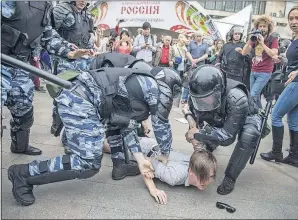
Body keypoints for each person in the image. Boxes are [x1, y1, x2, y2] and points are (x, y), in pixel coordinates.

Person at [7, 63, 182, 206]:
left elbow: (125, 126)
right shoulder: (157, 91)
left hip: (79, 95)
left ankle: (115, 164)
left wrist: (140, 160)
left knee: (99, 145)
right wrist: (165, 154)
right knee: (87, 163)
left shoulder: (140, 83)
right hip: (80, 100)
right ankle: (23, 174)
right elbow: (162, 127)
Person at [1, 1, 90, 156]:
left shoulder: (44, 6)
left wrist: (69, 52)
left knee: (24, 111)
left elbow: (48, 37)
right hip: (2, 62)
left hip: (21, 65)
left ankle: (19, 147)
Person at [183, 65, 268, 195]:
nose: (203, 101)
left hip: (248, 116)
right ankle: (209, 147)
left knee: (249, 136)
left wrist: (199, 135)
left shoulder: (237, 97)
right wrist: (196, 136)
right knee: (207, 131)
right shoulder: (197, 95)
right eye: (200, 99)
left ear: (219, 91)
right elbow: (196, 122)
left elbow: (228, 137)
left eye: (206, 98)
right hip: (221, 114)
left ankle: (230, 178)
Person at [260, 5, 298, 168]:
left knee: (276, 116)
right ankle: (294, 157)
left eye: (297, 18)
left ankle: (276, 152)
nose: (293, 21)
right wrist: (282, 59)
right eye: (291, 18)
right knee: (293, 121)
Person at [50, 0, 96, 137]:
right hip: (64, 59)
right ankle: (59, 127)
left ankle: (72, 130)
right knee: (62, 95)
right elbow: (49, 32)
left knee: (80, 95)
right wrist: (65, 46)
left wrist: (90, 49)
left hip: (82, 60)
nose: (83, 1)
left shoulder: (86, 13)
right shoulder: (61, 9)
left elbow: (88, 34)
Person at [138, 137, 218, 205]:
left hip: (156, 144)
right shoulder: (174, 176)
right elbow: (145, 164)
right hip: (141, 147)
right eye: (203, 176)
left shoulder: (197, 161)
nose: (208, 181)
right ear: (190, 171)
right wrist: (153, 189)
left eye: (211, 176)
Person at [241, 15, 279, 108]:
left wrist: (262, 43)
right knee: (256, 96)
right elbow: (244, 52)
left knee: (253, 94)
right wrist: (250, 40)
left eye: (264, 26)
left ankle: (252, 114)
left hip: (265, 72)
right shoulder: (255, 38)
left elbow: (273, 54)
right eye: (260, 26)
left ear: (268, 27)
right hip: (254, 70)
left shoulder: (273, 39)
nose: (262, 28)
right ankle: (259, 114)